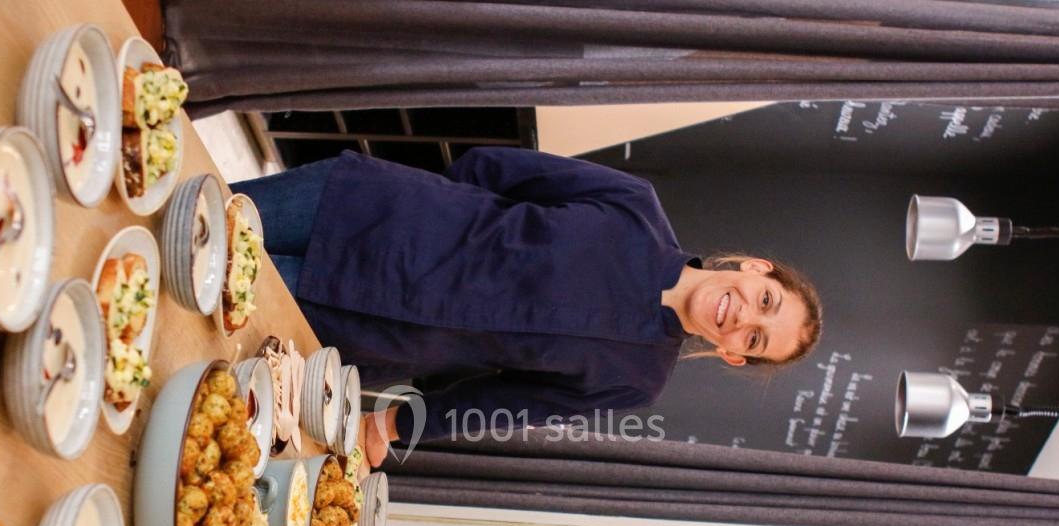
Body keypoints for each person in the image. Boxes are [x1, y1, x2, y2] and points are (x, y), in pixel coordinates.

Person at [230, 147, 823, 467]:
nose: (745, 317)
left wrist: (392, 424)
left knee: (196, 307)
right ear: (754, 269)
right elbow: (494, 169)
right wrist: (448, 219)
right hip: (368, 209)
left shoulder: (637, 379)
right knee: (191, 216)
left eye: (755, 338)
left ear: (731, 355)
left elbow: (504, 402)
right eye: (765, 302)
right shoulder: (635, 205)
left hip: (364, 330)